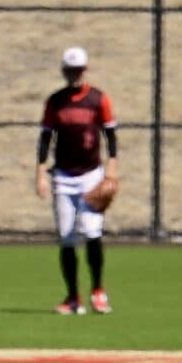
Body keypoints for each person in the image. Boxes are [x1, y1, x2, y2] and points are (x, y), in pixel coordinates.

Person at [35, 46, 118, 315]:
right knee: (67, 237)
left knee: (93, 233)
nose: (74, 74)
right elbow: (46, 138)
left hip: (91, 175)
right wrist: (40, 172)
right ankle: (73, 298)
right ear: (64, 71)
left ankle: (98, 291)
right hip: (63, 176)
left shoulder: (98, 99)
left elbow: (110, 135)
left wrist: (112, 169)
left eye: (78, 70)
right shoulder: (55, 101)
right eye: (70, 70)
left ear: (85, 70)